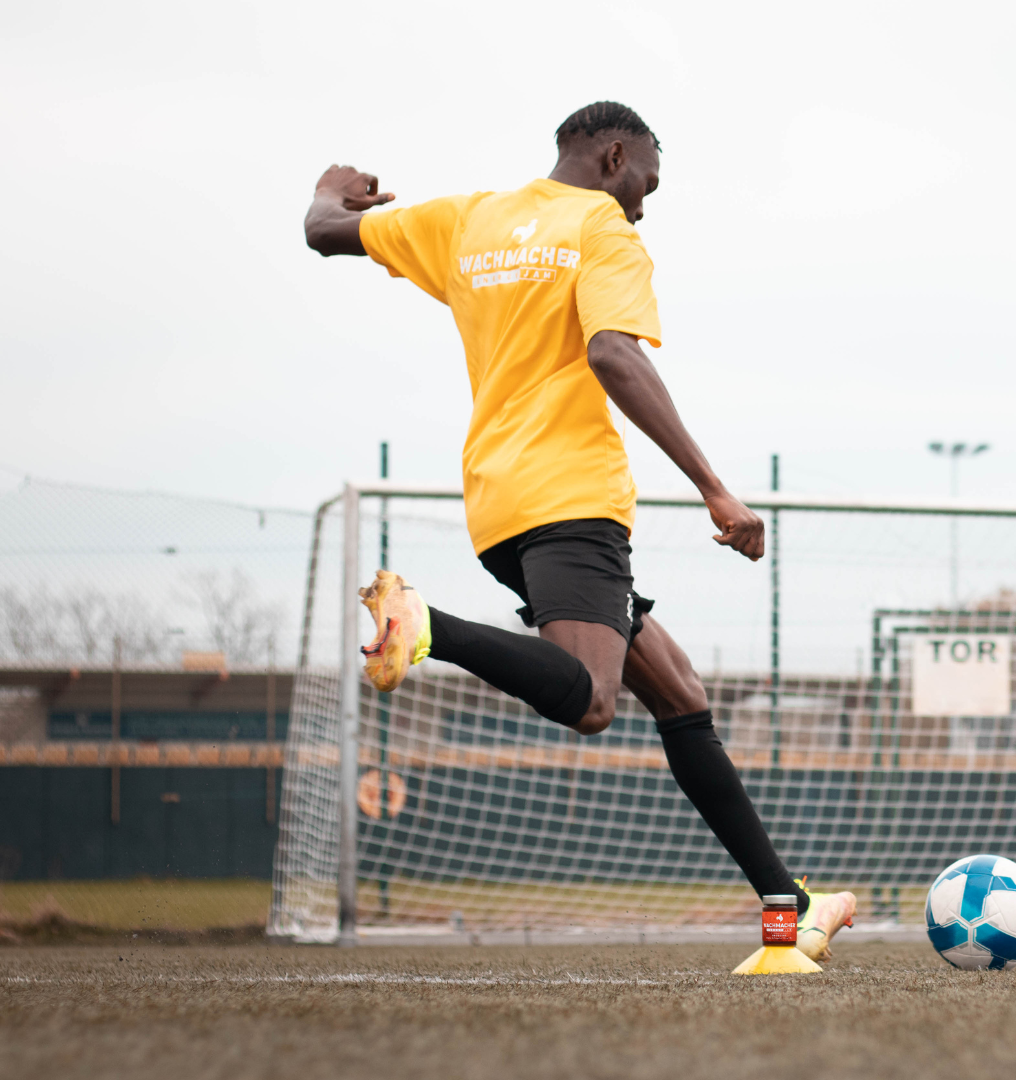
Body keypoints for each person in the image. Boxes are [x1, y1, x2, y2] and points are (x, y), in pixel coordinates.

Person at [303, 100, 855, 960]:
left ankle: (785, 906)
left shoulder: (467, 220)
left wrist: (333, 188)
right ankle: (424, 627)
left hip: (498, 503)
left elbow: (324, 230)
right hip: (572, 499)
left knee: (679, 693)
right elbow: (613, 353)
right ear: (611, 155)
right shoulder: (603, 229)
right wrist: (715, 488)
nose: (643, 204)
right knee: (594, 701)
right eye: (645, 184)